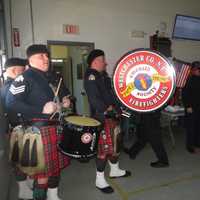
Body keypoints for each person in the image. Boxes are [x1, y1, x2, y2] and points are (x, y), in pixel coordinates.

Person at [6, 44, 70, 200]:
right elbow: (11, 102)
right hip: (39, 131)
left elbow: (64, 95)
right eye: (41, 56)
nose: (46, 58)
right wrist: (40, 109)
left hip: (57, 127)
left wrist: (66, 100)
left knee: (55, 169)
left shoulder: (53, 76)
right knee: (43, 175)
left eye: (47, 55)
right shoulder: (25, 77)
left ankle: (53, 196)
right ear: (31, 59)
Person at [84, 49, 131, 194]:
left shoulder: (103, 76)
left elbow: (111, 94)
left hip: (113, 116)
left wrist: (120, 107)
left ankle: (115, 170)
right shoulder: (91, 76)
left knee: (115, 146)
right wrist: (106, 108)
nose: (106, 63)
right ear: (96, 61)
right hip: (102, 117)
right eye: (103, 60)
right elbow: (94, 98)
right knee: (103, 150)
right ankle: (99, 179)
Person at [182, 61, 200, 153]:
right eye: (197, 69)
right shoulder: (189, 79)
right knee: (191, 128)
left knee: (198, 127)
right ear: (193, 70)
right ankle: (190, 146)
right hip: (191, 108)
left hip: (198, 107)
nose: (198, 71)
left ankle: (197, 144)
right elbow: (185, 94)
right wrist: (188, 106)